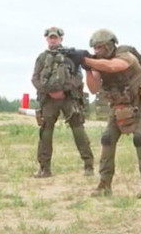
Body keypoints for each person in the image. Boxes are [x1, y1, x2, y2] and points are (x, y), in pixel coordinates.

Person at [79, 29, 141, 198]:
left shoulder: (125, 54)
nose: (97, 51)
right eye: (95, 48)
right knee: (107, 139)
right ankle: (104, 185)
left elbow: (115, 66)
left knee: (140, 139)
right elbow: (93, 89)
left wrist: (87, 60)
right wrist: (87, 68)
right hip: (119, 106)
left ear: (110, 45)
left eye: (100, 47)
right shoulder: (98, 63)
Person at [30, 26, 94, 177]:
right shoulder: (42, 58)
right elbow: (35, 78)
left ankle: (88, 165)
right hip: (48, 100)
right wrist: (49, 91)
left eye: (55, 37)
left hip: (68, 98)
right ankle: (45, 168)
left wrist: (63, 90)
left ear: (61, 39)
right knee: (45, 132)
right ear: (46, 39)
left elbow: (78, 78)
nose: (53, 40)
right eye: (50, 37)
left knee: (78, 129)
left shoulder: (70, 56)